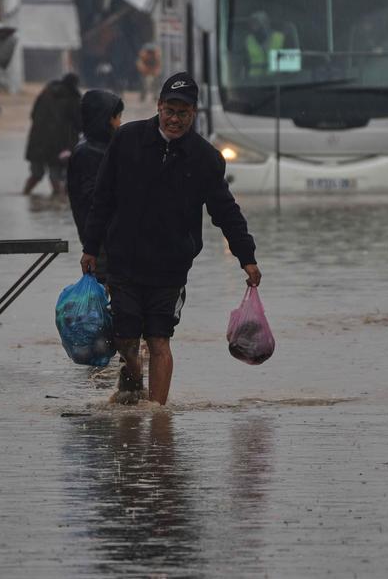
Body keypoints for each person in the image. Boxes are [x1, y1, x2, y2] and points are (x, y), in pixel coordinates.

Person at [80, 72, 261, 406]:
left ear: (193, 115)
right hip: (124, 262)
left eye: (184, 113)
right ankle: (132, 384)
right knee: (126, 339)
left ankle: (157, 417)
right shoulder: (127, 140)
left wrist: (246, 256)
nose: (175, 119)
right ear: (159, 106)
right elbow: (102, 198)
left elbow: (225, 211)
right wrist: (91, 248)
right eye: (170, 110)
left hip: (170, 268)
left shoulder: (205, 158)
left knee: (159, 340)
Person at [67, 90, 124, 282]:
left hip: (115, 241)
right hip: (101, 243)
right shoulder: (87, 152)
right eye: (117, 118)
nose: (119, 123)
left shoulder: (108, 148)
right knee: (108, 297)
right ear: (105, 119)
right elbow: (93, 200)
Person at [24, 73, 83, 195]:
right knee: (56, 175)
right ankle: (59, 206)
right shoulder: (73, 98)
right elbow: (79, 123)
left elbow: (33, 115)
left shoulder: (46, 93)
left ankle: (24, 194)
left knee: (36, 174)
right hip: (60, 144)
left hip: (37, 141)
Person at [245, 11, 285, 77]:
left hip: (277, 80)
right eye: (252, 24)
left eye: (259, 23)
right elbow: (243, 65)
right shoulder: (248, 40)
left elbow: (290, 65)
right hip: (253, 81)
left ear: (267, 23)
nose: (255, 27)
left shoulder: (281, 38)